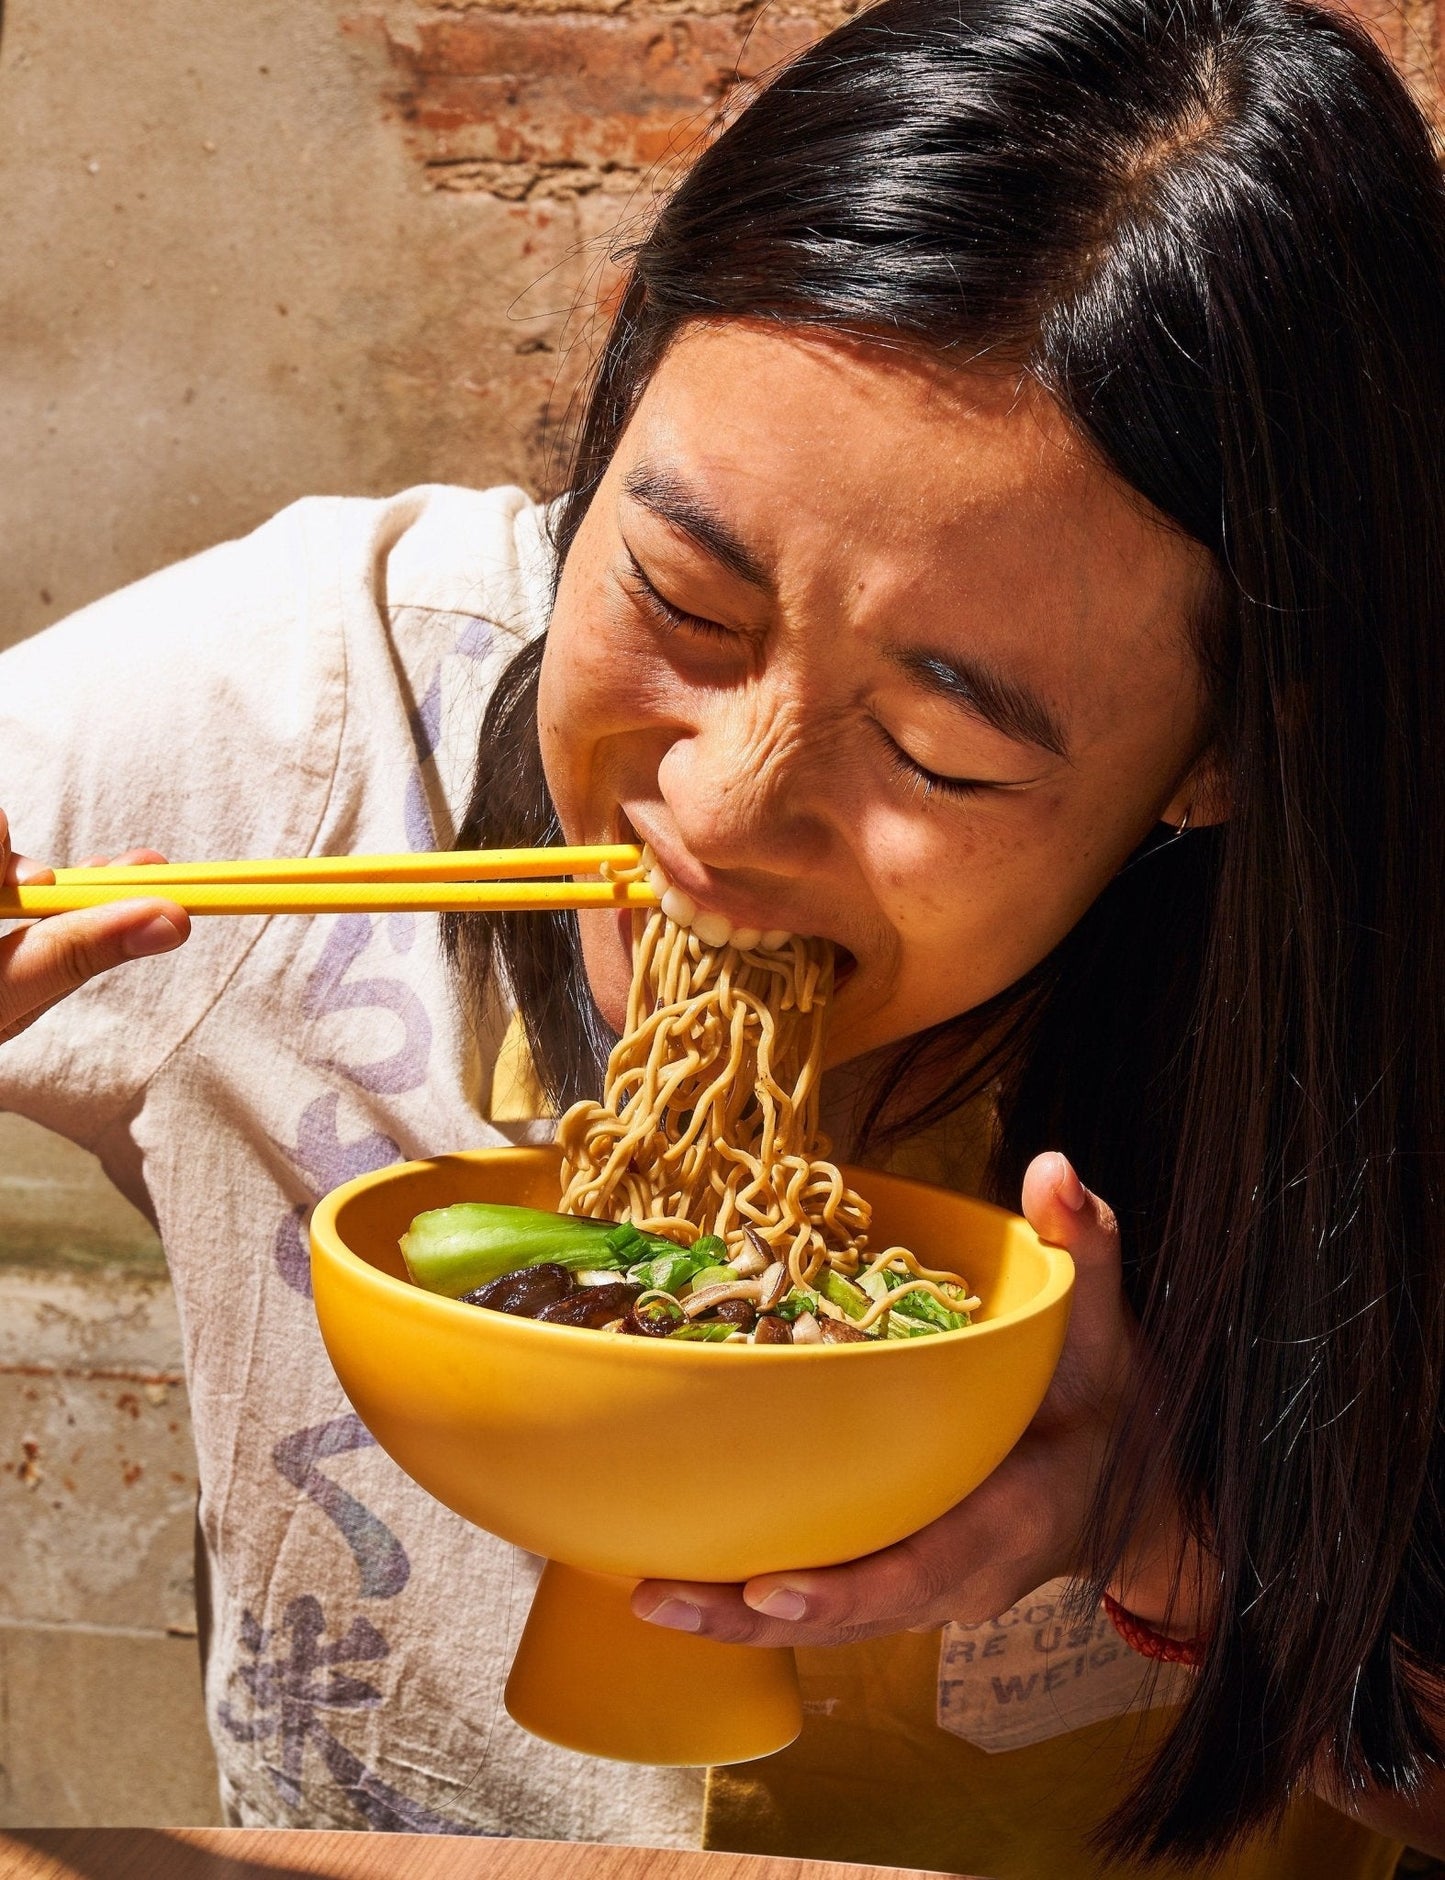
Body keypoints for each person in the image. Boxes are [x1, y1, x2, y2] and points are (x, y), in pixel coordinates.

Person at [3, 0, 1442, 1871]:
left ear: (1237, 749)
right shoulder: (312, 719)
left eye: (940, 748)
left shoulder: (1379, 981)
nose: (732, 807)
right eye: (681, 598)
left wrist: (1164, 1528)